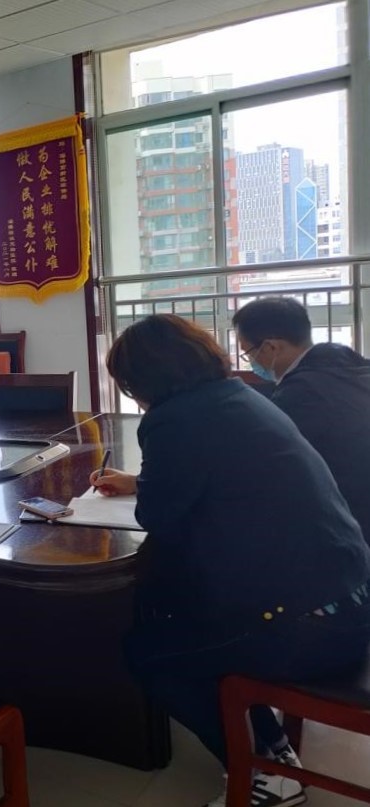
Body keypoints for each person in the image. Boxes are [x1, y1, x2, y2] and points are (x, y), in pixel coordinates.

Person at [90, 314, 370, 807]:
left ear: (144, 383)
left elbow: (157, 515)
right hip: (348, 598)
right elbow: (229, 474)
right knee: (183, 617)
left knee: (150, 653)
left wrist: (148, 486)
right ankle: (273, 750)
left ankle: (265, 774)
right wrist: (142, 480)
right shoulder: (241, 397)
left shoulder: (172, 420)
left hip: (308, 628)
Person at [233, 296, 370, 543]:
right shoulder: (350, 367)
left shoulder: (301, 395)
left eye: (248, 353)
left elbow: (271, 470)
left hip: (353, 523)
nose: (251, 362)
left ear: (271, 347)